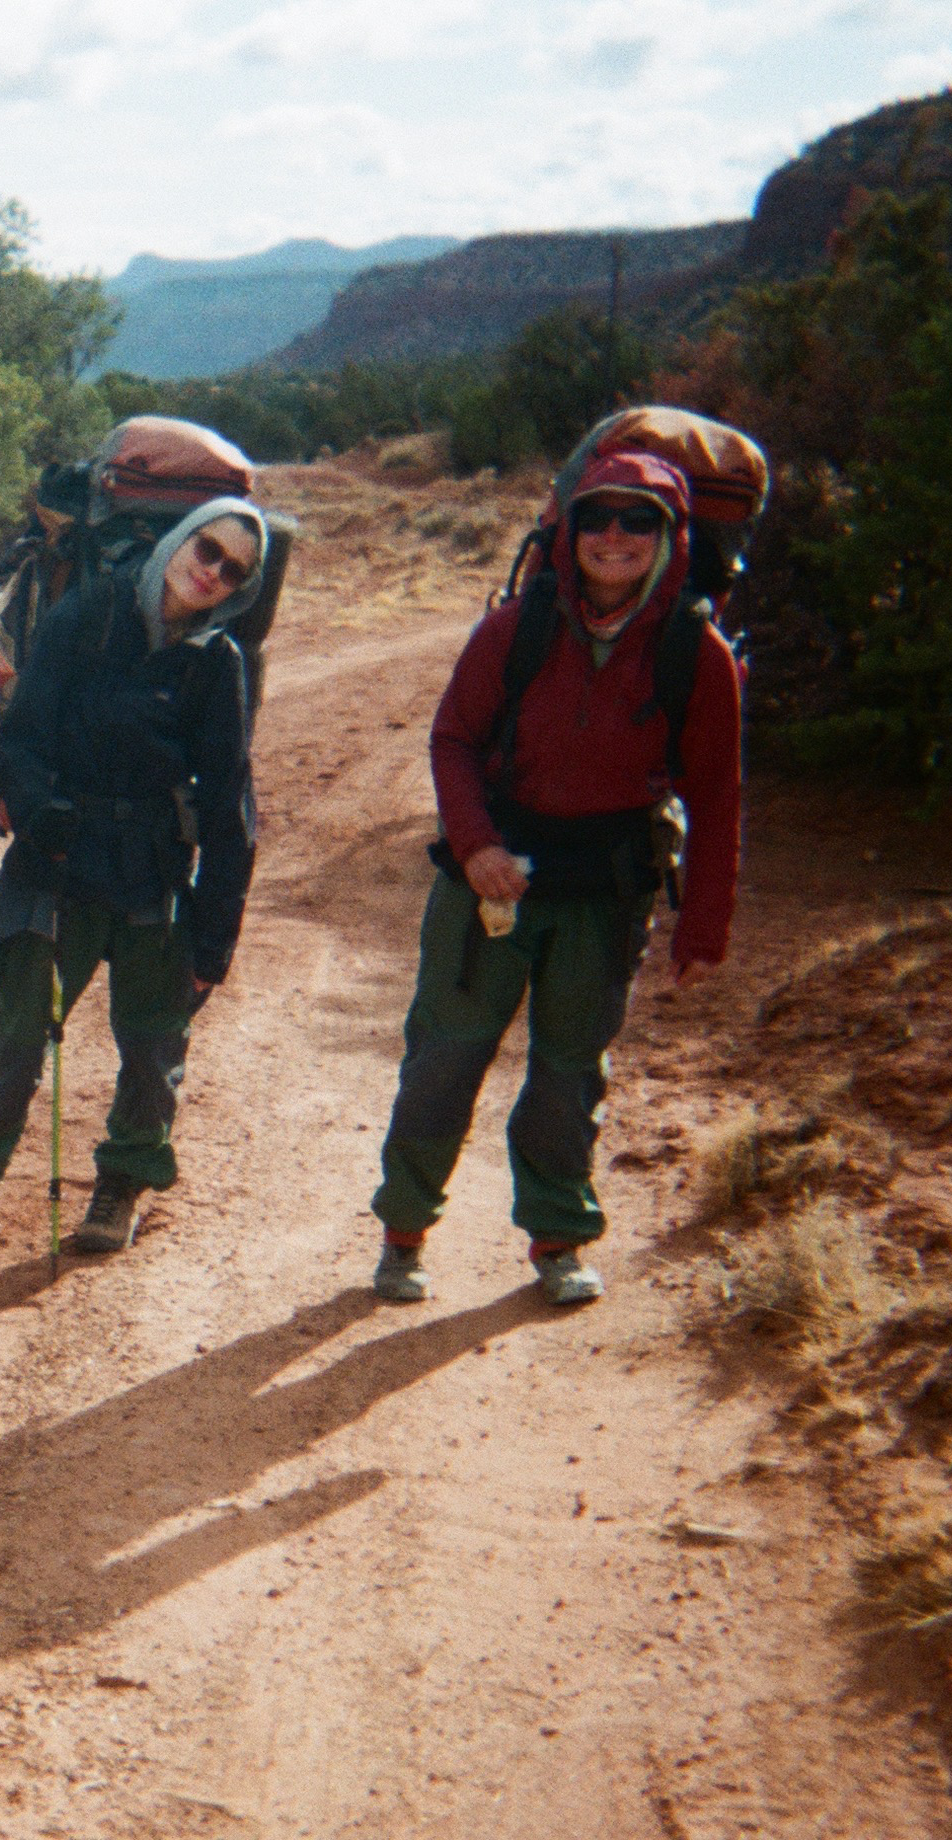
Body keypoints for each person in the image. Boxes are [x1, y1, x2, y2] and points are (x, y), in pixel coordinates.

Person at [368, 450, 740, 1306]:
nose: (614, 537)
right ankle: (402, 1231)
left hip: (604, 896)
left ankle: (557, 1238)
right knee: (443, 1060)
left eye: (637, 520)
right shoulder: (514, 629)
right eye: (596, 517)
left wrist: (702, 925)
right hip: (490, 883)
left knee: (569, 1072)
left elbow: (716, 795)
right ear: (566, 531)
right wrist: (473, 847)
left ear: (668, 537)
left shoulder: (695, 650)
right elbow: (452, 740)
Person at [0, 499, 266, 1264]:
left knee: (151, 1043)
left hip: (152, 869)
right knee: (16, 1035)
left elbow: (229, 800)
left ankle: (123, 1186)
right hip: (57, 859)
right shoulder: (88, 614)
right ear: (178, 539)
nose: (211, 572)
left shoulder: (216, 661)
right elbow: (23, 732)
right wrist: (41, 816)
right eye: (207, 548)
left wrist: (215, 936)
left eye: (234, 569)